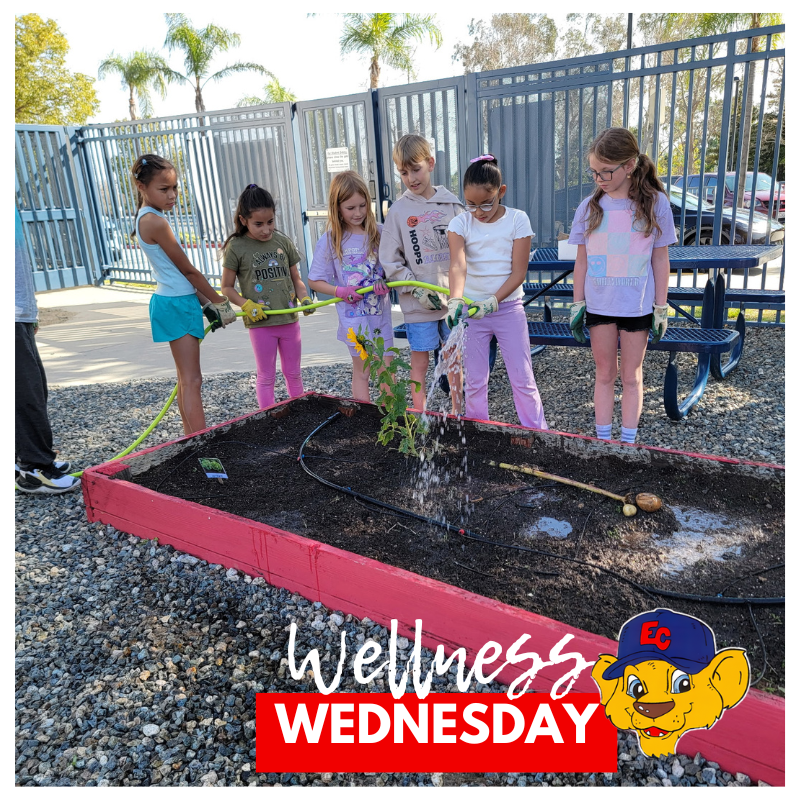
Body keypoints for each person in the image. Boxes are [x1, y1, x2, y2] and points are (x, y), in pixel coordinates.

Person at [567, 128, 676, 444]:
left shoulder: (656, 204)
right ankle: (603, 443)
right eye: (594, 172)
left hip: (637, 307)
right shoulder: (589, 207)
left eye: (606, 171)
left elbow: (660, 260)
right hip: (599, 306)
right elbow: (582, 262)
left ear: (629, 165)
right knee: (604, 375)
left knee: (631, 377)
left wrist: (660, 306)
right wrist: (577, 304)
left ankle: (627, 443)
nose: (599, 178)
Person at [131, 153, 237, 436]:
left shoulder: (148, 218)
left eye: (175, 188)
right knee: (192, 380)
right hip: (177, 304)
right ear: (141, 187)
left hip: (173, 300)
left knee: (185, 380)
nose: (172, 195)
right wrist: (220, 302)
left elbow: (179, 276)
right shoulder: (155, 222)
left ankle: (190, 440)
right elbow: (189, 273)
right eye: (164, 189)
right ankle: (202, 448)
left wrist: (205, 304)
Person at [446, 155, 548, 430]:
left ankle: (538, 432)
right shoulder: (460, 223)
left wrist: (494, 301)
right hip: (473, 311)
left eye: (486, 203)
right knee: (476, 379)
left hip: (508, 309)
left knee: (522, 376)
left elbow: (518, 272)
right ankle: (480, 431)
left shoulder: (517, 220)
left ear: (501, 192)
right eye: (471, 204)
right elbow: (457, 264)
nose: (478, 211)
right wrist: (456, 298)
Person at [379, 134, 465, 413]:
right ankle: (420, 416)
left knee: (453, 359)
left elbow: (466, 252)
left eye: (415, 169)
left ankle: (457, 413)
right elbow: (389, 260)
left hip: (451, 303)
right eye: (403, 173)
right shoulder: (399, 211)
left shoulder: (452, 205)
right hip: (418, 307)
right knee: (420, 362)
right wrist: (414, 288)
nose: (411, 178)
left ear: (430, 163)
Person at [221, 184, 314, 408]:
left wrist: (305, 298)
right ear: (244, 220)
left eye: (270, 222)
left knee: (294, 373)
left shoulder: (282, 242)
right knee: (266, 376)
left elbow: (296, 279)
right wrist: (245, 305)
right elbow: (226, 287)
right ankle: (268, 419)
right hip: (261, 324)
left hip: (289, 320)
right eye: (258, 224)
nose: (266, 229)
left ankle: (299, 414)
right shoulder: (237, 247)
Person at [308, 171, 393, 401]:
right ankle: (364, 424)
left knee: (387, 371)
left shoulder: (380, 233)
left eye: (362, 206)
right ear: (337, 208)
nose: (358, 213)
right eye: (350, 208)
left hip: (380, 319)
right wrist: (340, 291)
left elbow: (392, 271)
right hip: (355, 322)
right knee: (364, 371)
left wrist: (387, 284)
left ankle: (393, 423)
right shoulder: (330, 240)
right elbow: (314, 281)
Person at [15, 207, 81, 494]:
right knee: (25, 392)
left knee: (34, 388)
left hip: (20, 312)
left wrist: (31, 311)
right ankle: (35, 467)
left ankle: (25, 458)